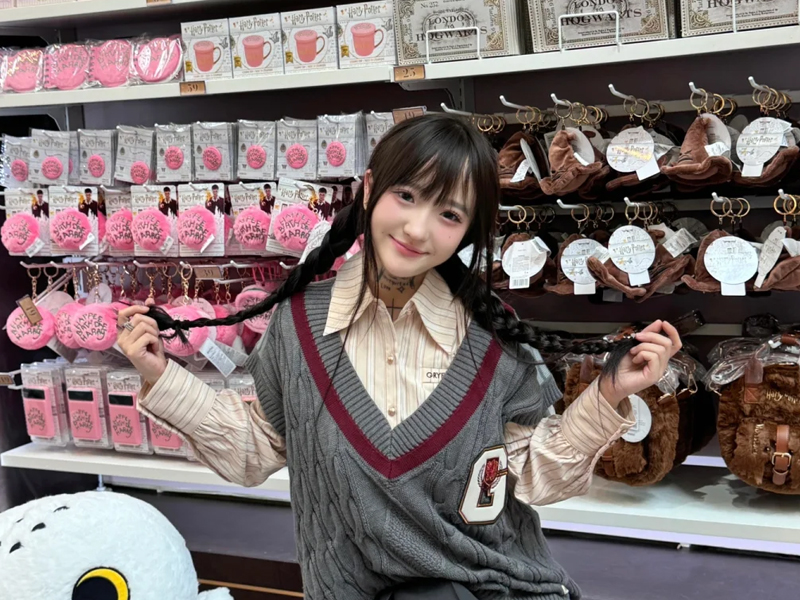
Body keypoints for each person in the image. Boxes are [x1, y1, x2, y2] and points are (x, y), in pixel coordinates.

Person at [118, 114, 681, 600]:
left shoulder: (491, 338)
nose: (417, 228)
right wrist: (159, 374)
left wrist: (609, 394)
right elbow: (255, 451)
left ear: (468, 232)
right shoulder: (298, 326)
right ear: (370, 189)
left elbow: (531, 476)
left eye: (449, 215)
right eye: (406, 196)